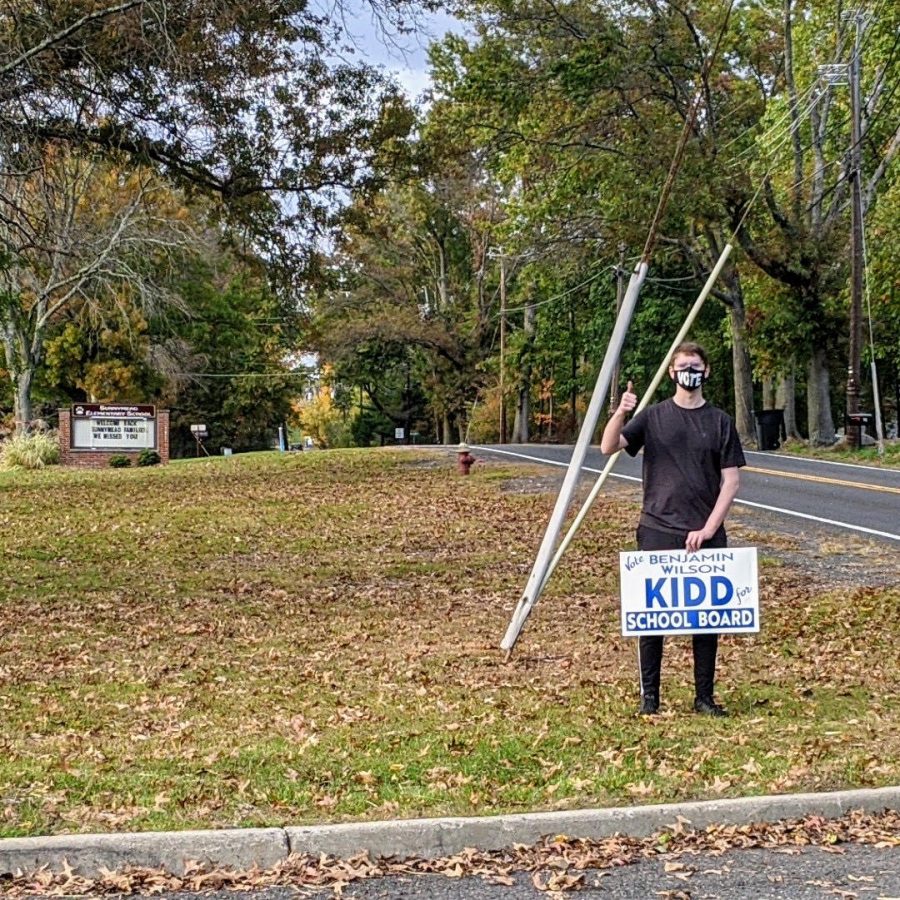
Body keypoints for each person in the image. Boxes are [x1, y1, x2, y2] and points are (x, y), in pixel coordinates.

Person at [600, 341, 746, 717]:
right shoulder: (653, 417)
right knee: (652, 619)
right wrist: (620, 412)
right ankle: (650, 697)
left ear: (706, 371)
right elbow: (608, 446)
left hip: (705, 534)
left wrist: (708, 529)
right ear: (671, 372)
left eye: (695, 366)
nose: (689, 372)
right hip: (657, 529)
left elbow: (730, 482)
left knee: (707, 619)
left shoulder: (720, 421)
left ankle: (704, 697)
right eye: (683, 366)